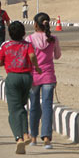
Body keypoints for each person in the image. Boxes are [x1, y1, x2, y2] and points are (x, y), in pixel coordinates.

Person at [0, 21, 42, 155]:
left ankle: (19, 138)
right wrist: (37, 68)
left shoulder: (6, 45)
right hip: (26, 77)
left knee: (13, 110)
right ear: (23, 33)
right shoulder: (28, 45)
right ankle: (26, 133)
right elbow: (32, 56)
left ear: (9, 33)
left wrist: (7, 60)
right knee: (21, 106)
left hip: (13, 78)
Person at [27, 12, 61, 149]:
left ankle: (33, 137)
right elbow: (57, 56)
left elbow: (27, 58)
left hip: (34, 76)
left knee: (34, 107)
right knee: (47, 107)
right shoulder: (53, 39)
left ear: (35, 24)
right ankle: (47, 139)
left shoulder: (29, 39)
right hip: (48, 76)